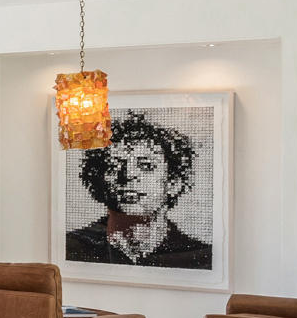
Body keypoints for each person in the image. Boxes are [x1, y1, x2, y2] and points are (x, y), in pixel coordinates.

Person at [66, 112, 212, 269]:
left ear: (173, 183)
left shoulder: (199, 255)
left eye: (146, 166)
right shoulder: (74, 247)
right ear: (100, 179)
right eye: (114, 166)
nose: (128, 175)